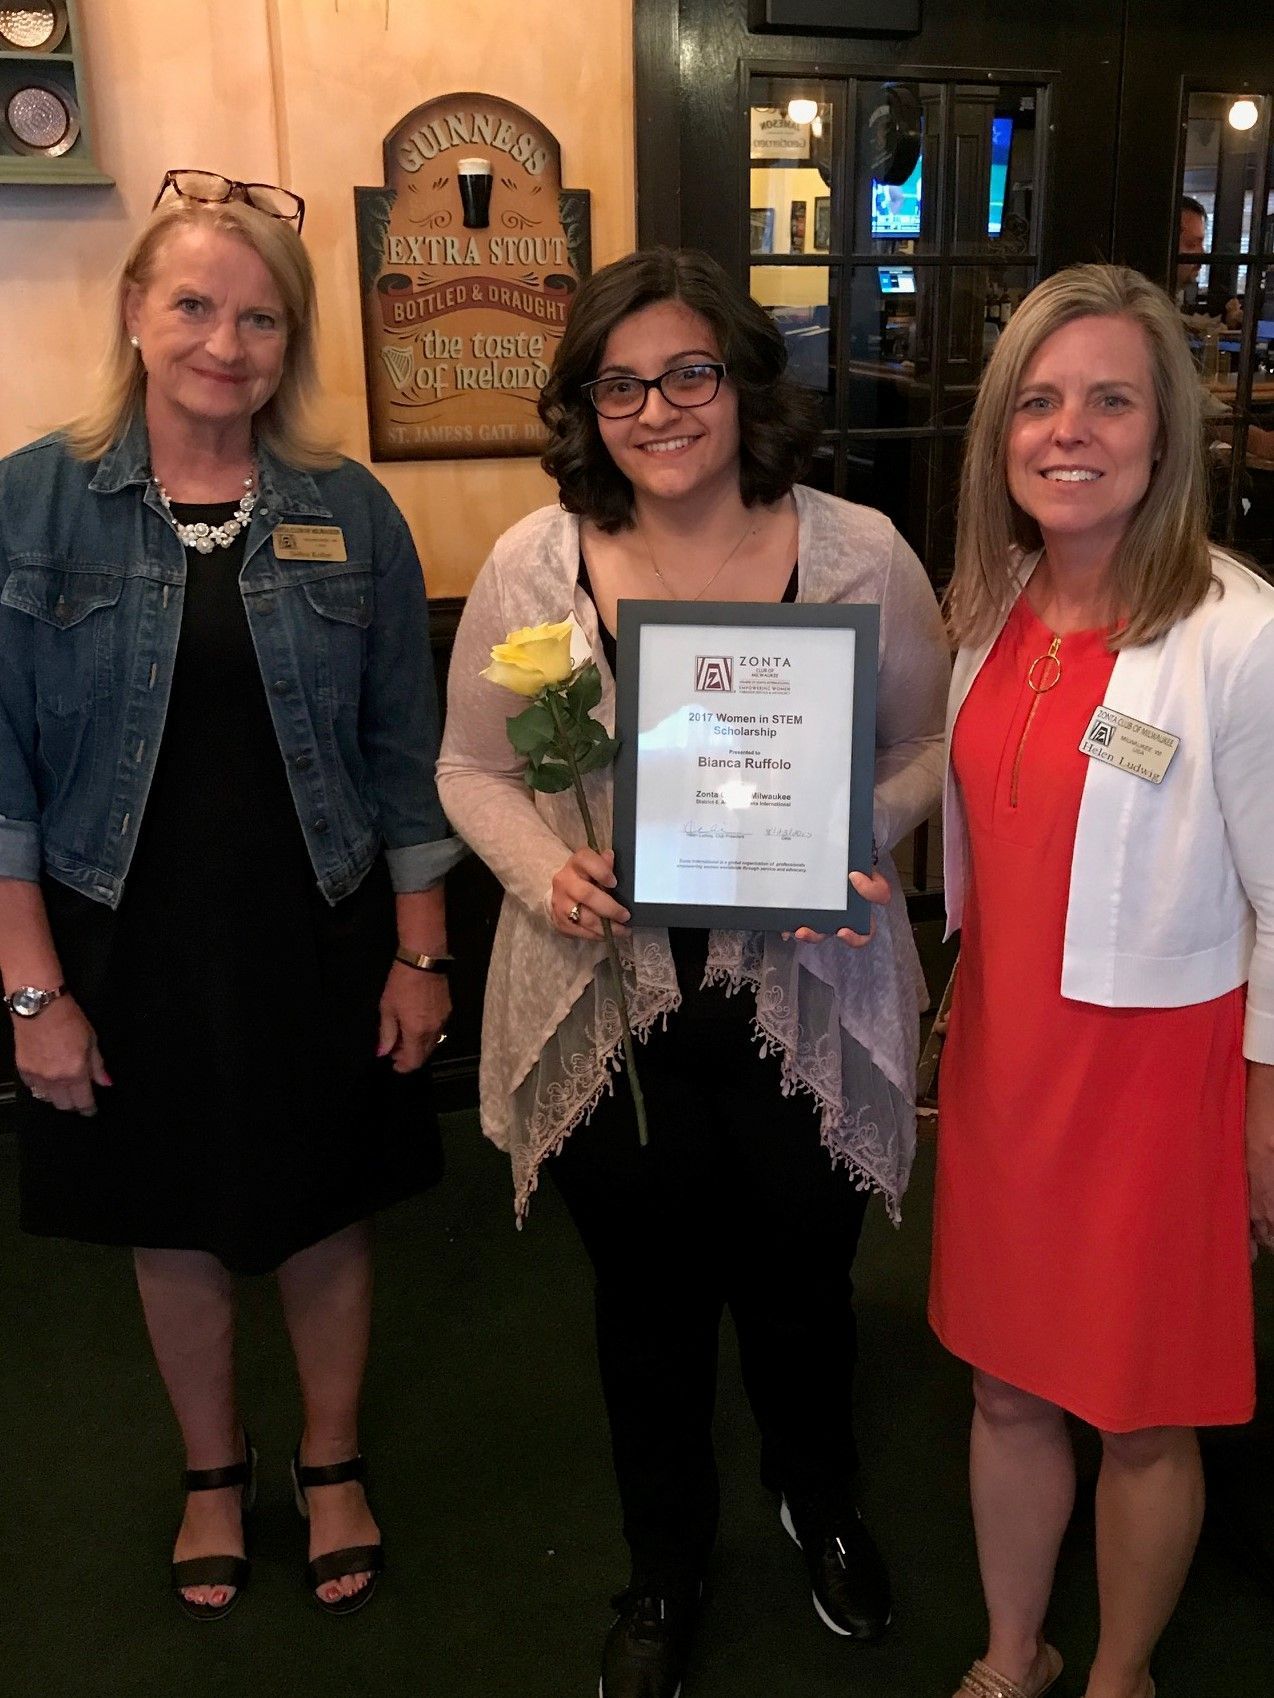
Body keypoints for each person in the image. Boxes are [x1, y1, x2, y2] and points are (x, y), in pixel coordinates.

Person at [437, 248, 949, 1698]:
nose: (655, 407)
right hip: (612, 995)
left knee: (805, 1280)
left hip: (802, 983)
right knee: (645, 1309)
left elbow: (923, 742)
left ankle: (819, 1498)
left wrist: (864, 827)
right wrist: (540, 866)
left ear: (739, 380)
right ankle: (663, 1564)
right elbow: (469, 766)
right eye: (619, 383)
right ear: (585, 405)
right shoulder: (533, 565)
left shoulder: (856, 552)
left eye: (686, 373)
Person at [0, 175, 462, 1619]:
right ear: (135, 312)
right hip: (116, 926)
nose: (225, 339)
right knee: (172, 1211)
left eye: (260, 315)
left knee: (325, 1207)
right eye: (193, 303)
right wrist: (31, 990)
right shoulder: (30, 500)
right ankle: (215, 1466)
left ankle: (329, 1457)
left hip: (314, 920)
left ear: (290, 343)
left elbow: (405, 752)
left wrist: (421, 952)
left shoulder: (347, 509)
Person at [932, 262, 1274, 1698]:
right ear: (1002, 432)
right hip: (1006, 1060)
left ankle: (1118, 1671)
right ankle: (1013, 1653)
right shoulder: (992, 599)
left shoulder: (1238, 634)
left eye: (1109, 399)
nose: (1068, 429)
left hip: (1160, 1077)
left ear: (1163, 431)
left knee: (1138, 1411)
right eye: (1038, 398)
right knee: (1004, 1381)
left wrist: (1264, 1105)